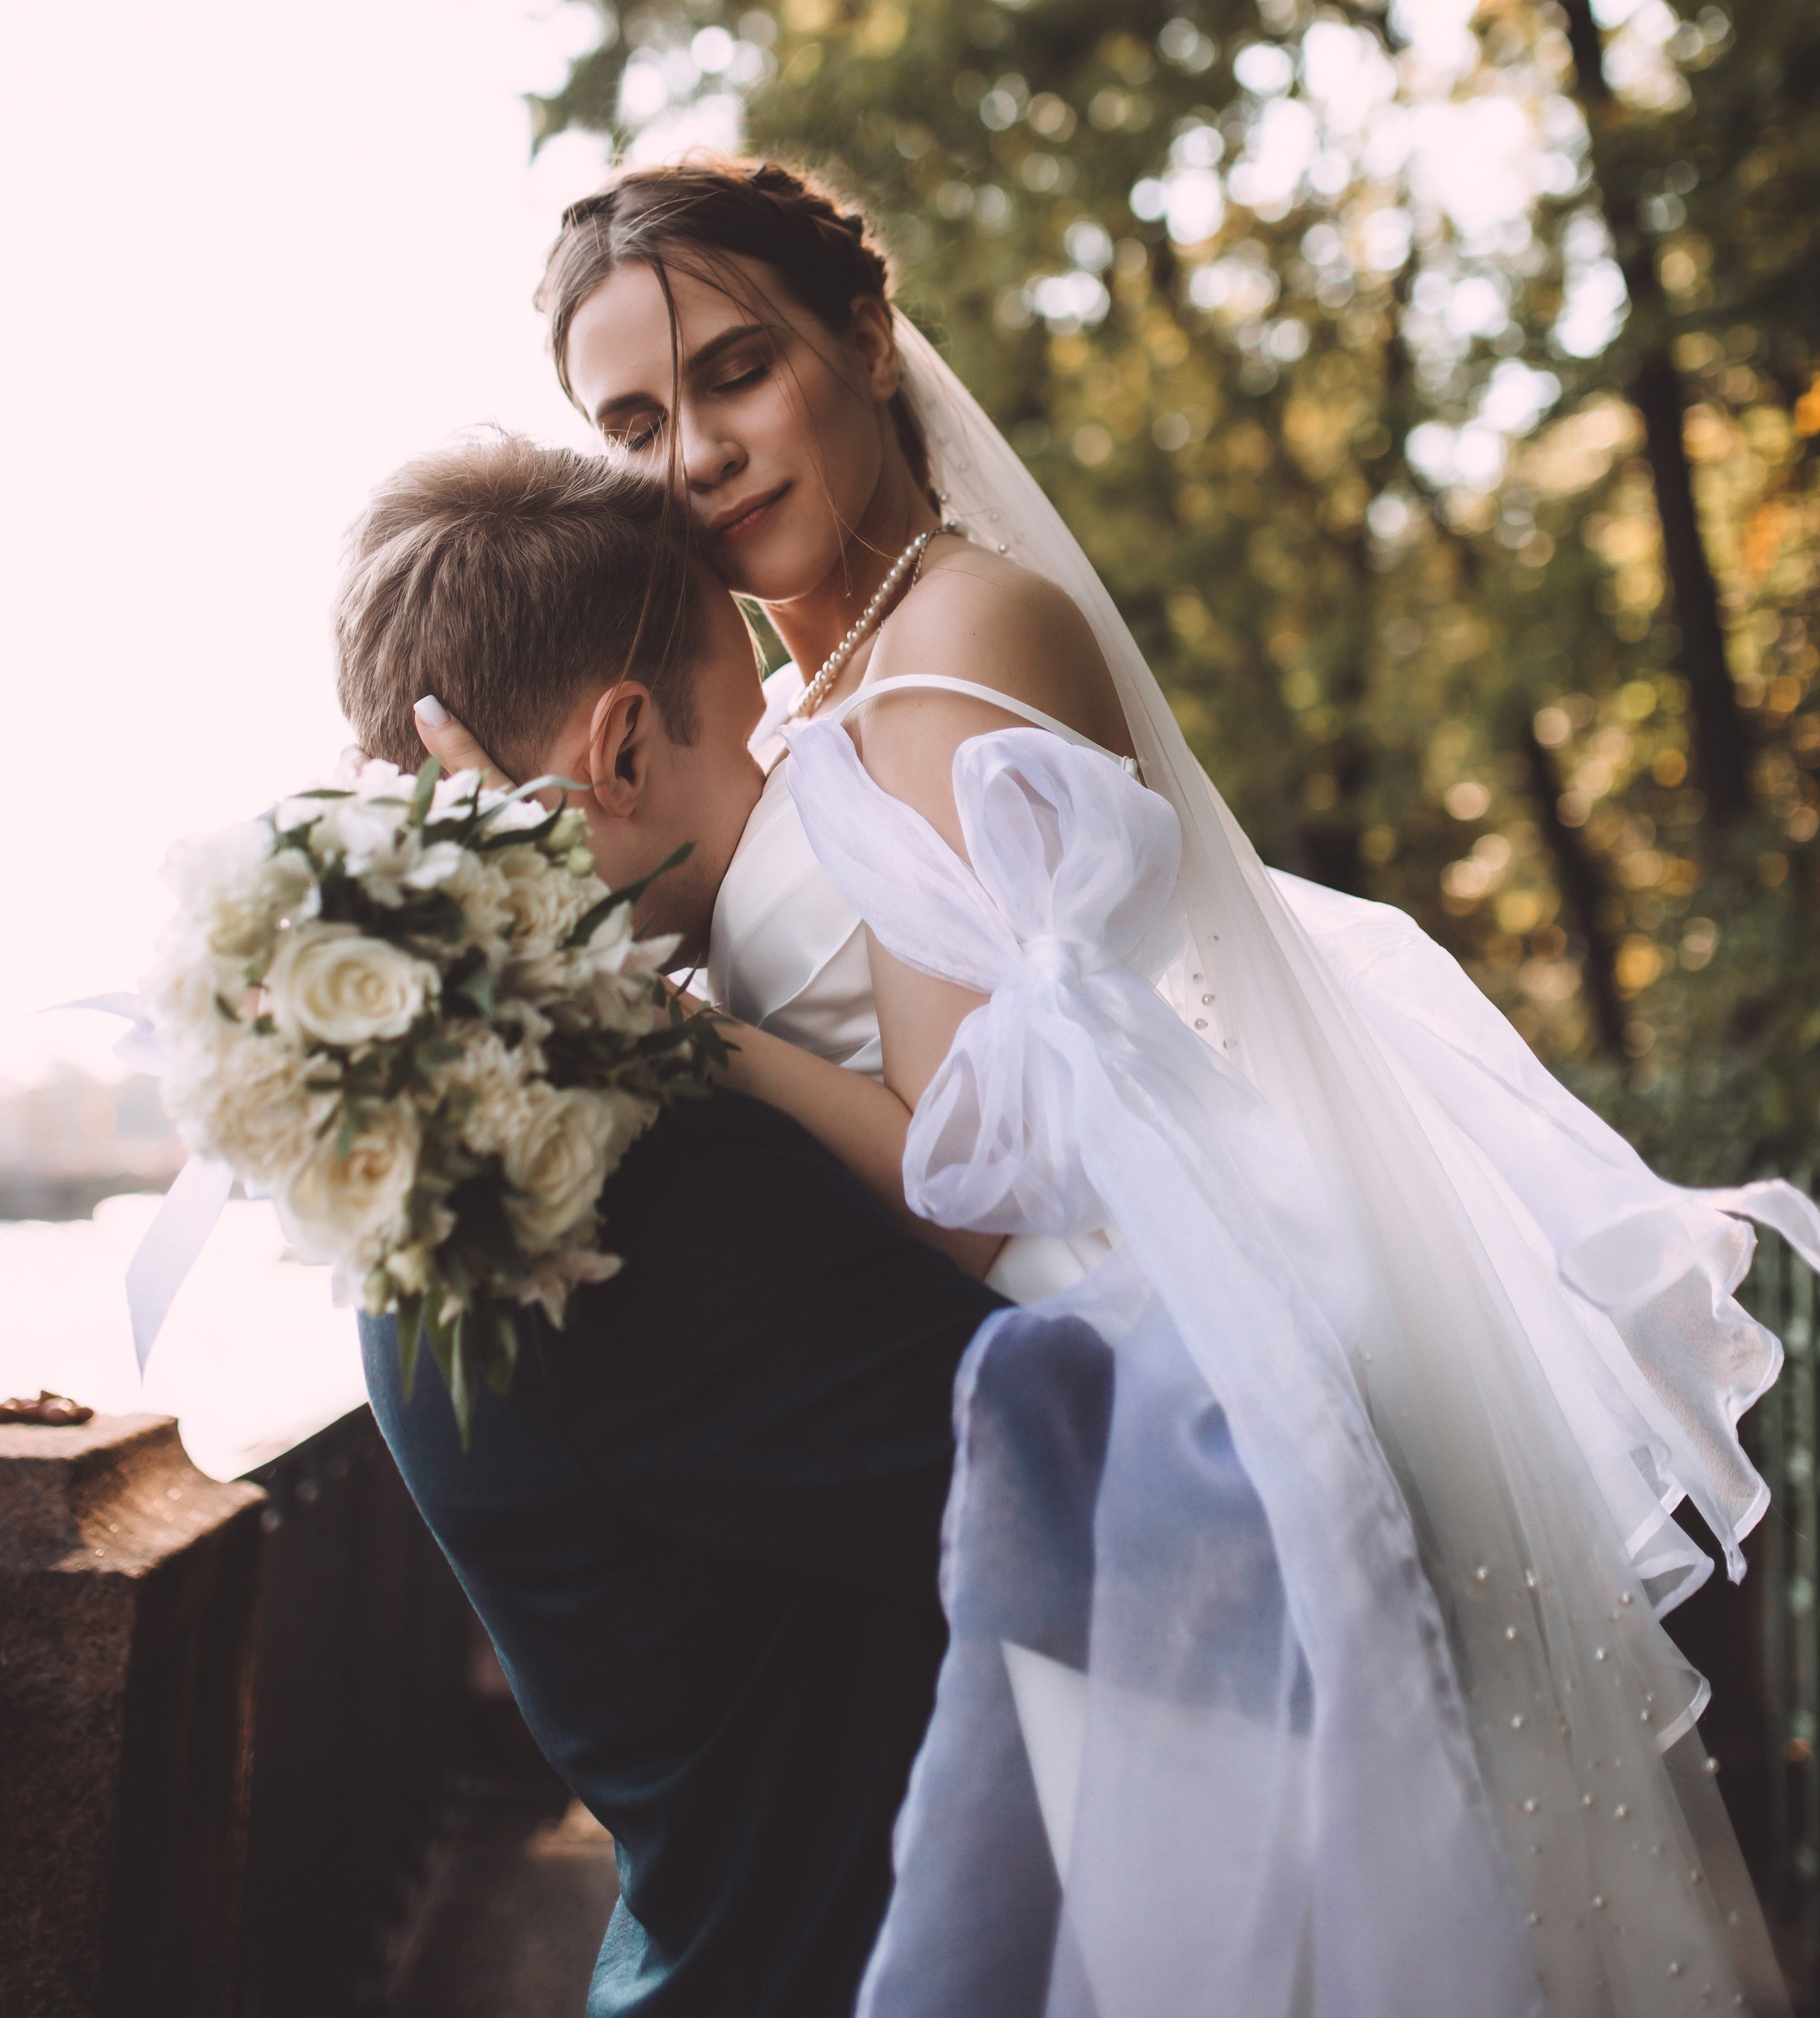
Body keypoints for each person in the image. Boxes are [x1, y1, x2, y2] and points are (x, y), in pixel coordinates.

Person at [417, 151, 1814, 2017]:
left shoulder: (958, 644)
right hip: (1006, 1391)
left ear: (866, 334)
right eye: (637, 418)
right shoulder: (826, 691)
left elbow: (968, 1172)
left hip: (1119, 1393)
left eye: (737, 372)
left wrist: (682, 1036)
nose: (697, 453)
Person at [334, 433, 1014, 2018]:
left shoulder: (426, 1145)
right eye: (762, 726)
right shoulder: (637, 1170)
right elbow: (1086, 1485)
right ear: (622, 750)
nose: (791, 766)